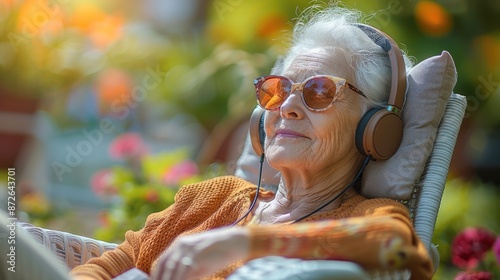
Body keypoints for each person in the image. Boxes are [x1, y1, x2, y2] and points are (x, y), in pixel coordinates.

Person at [72, 5, 434, 280]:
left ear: (373, 127)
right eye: (278, 90)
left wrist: (245, 243)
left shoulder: (368, 217)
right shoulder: (211, 197)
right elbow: (105, 268)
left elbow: (397, 244)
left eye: (319, 91)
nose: (288, 107)